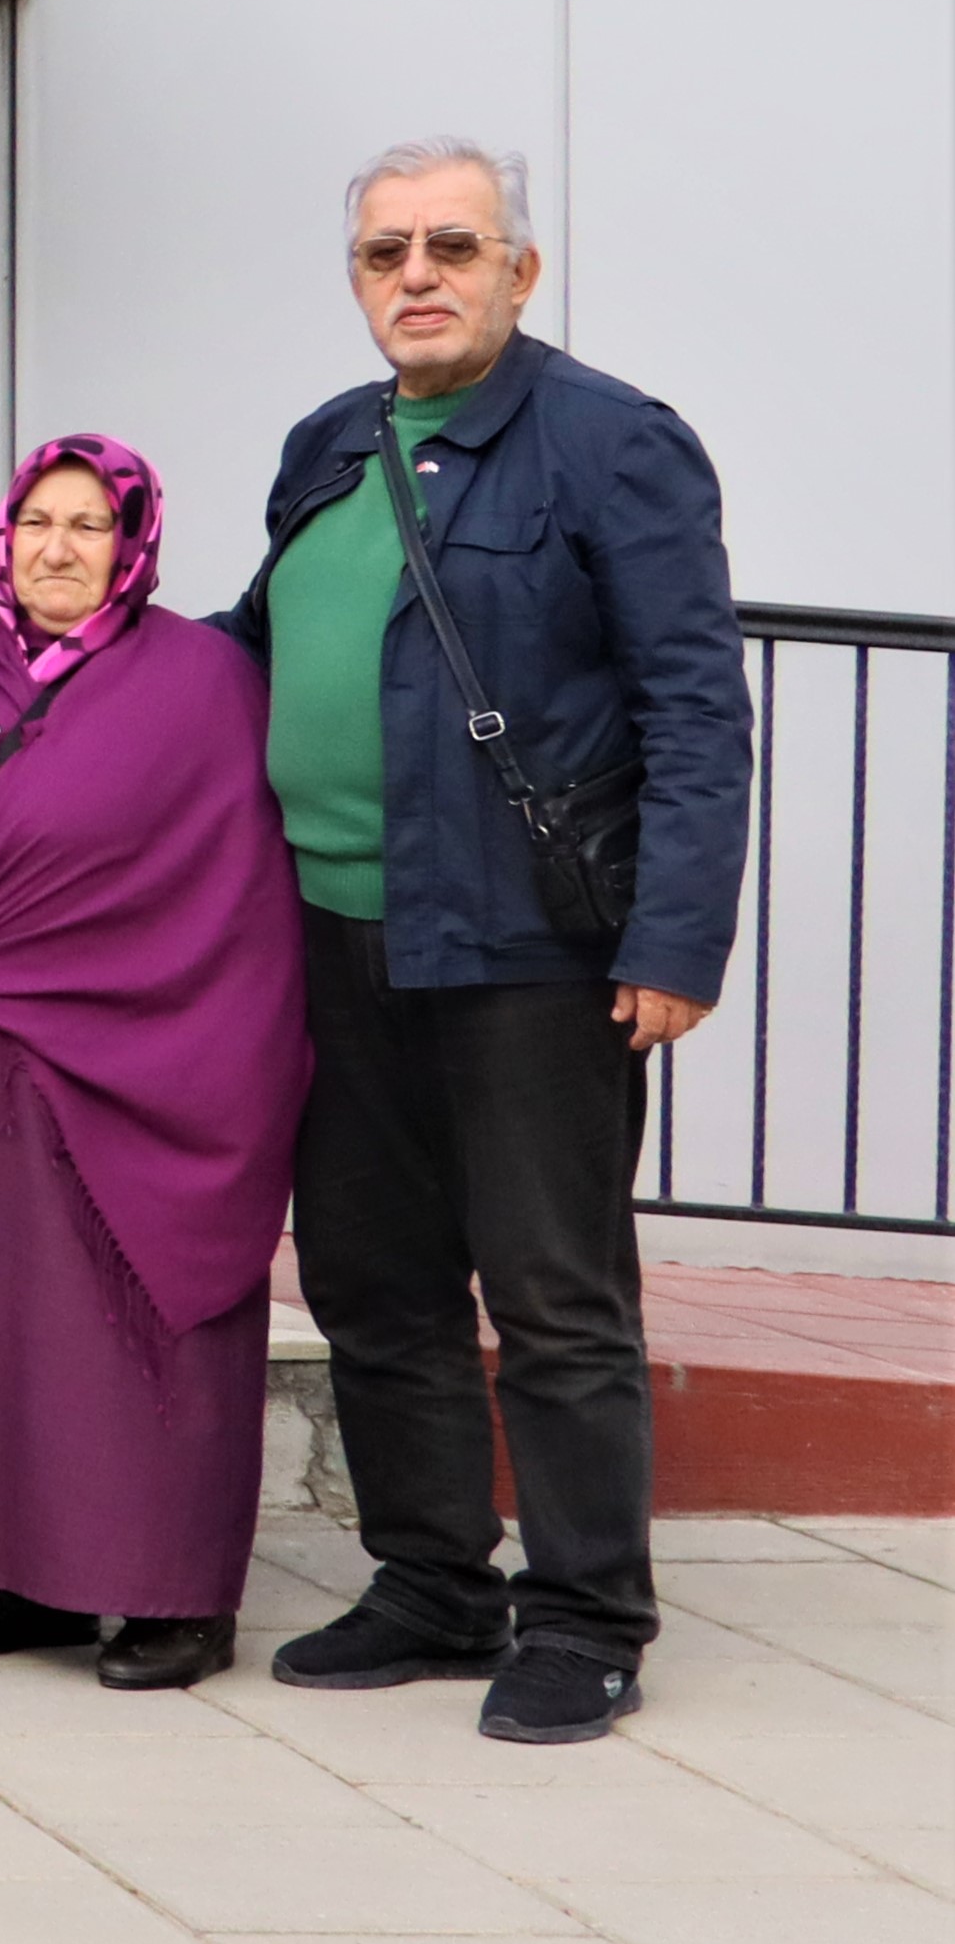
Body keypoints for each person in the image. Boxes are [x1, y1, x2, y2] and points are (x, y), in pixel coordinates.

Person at [231, 140, 749, 1744]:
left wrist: (673, 939)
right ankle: (430, 1579)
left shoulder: (611, 442)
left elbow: (692, 708)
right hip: (333, 932)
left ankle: (583, 1614)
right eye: (382, 250)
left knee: (550, 1291)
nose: (415, 274)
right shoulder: (327, 442)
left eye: (449, 245)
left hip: (529, 945)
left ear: (517, 270)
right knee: (369, 1277)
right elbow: (251, 648)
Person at [0, 437, 307, 1691]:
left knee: (125, 1335)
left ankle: (172, 1596)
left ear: (132, 547)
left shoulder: (199, 679)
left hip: (131, 1064)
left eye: (90, 526)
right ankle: (16, 1576)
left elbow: (229, 885)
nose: (57, 547)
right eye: (37, 521)